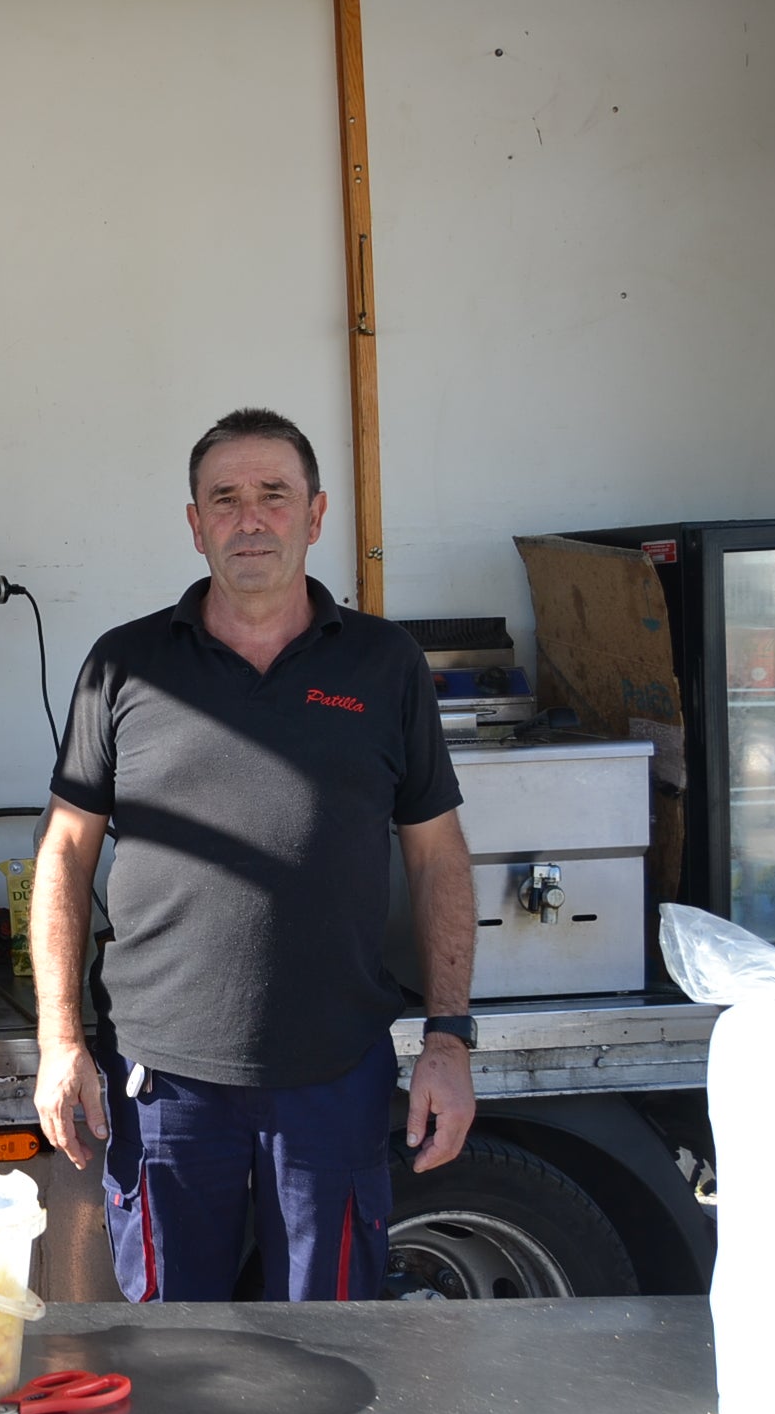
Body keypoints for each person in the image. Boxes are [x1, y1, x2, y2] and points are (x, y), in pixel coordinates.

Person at [29, 408, 476, 1302]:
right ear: (195, 524)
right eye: (224, 499)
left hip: (334, 1075)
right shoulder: (126, 666)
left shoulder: (384, 665)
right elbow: (65, 856)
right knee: (170, 1350)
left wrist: (450, 1040)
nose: (250, 518)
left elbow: (438, 859)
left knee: (336, 1344)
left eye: (274, 495)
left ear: (315, 515)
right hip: (164, 1081)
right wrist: (61, 1038)